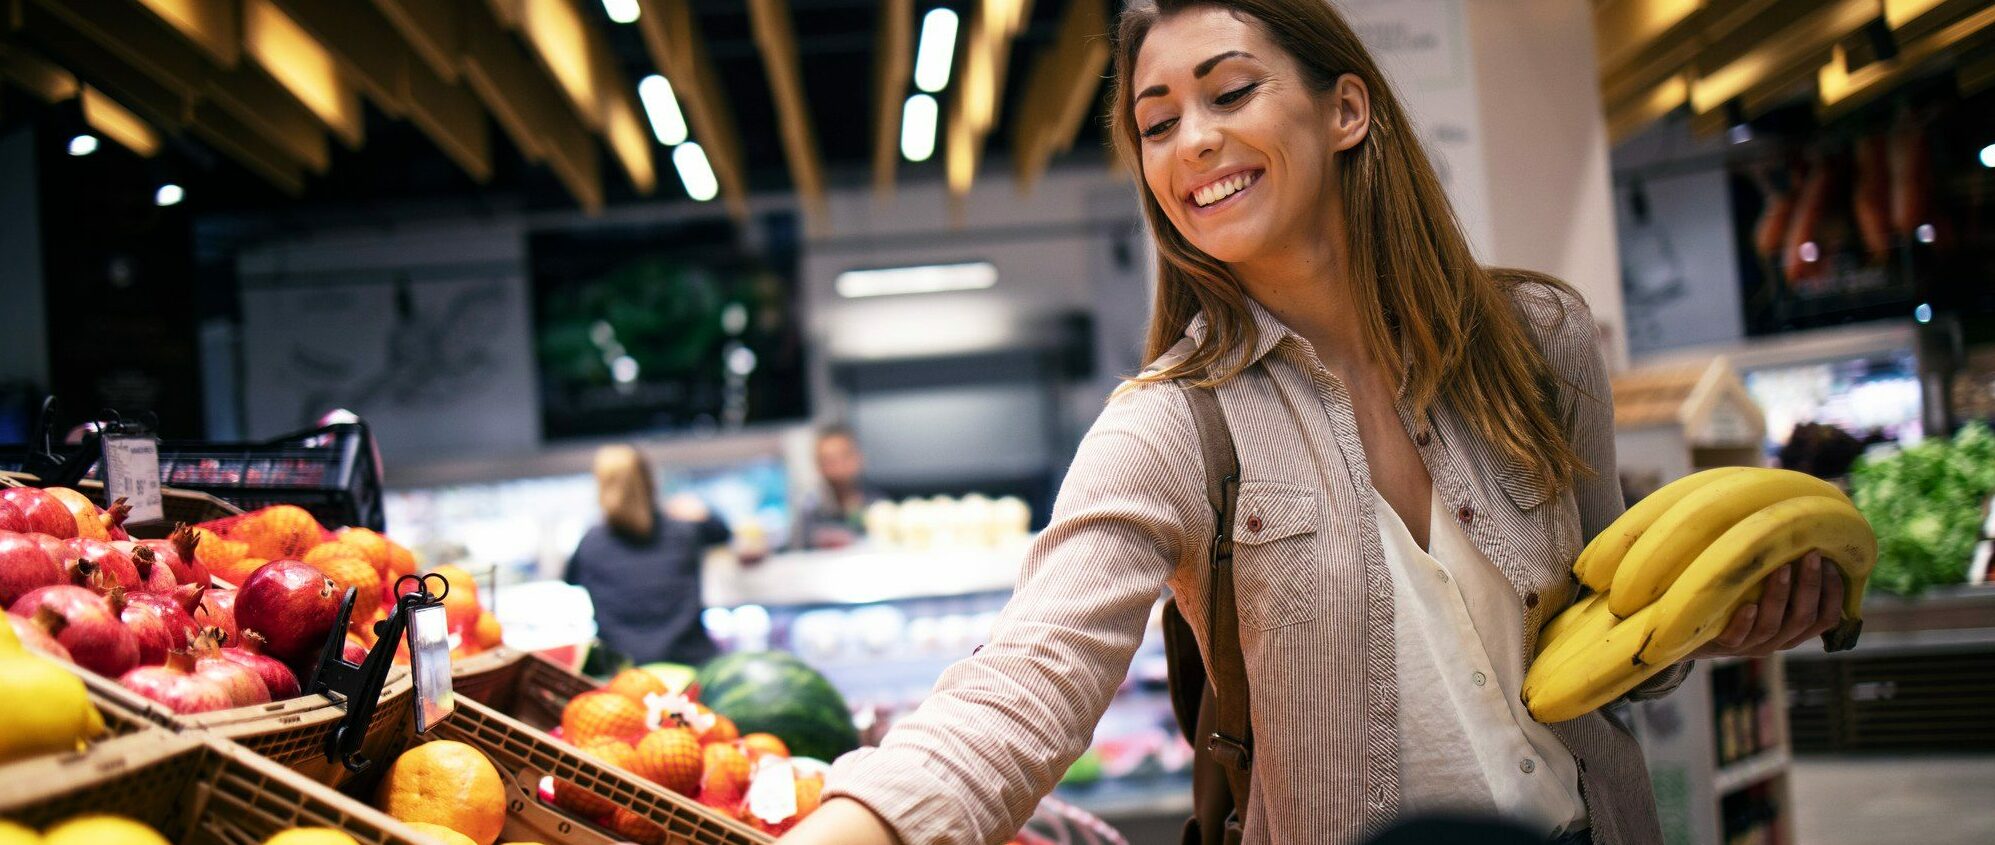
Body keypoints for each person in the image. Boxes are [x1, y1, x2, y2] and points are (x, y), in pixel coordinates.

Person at [783, 2, 1848, 844]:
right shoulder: (1172, 428)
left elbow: (1604, 635)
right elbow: (1025, 682)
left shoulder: (1538, 342)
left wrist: (1720, 617)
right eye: (1157, 123)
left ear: (1347, 110)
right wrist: (855, 825)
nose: (1192, 140)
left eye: (1229, 92)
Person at [564, 444, 731, 667]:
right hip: (693, 664)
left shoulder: (590, 543)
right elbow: (721, 532)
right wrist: (700, 510)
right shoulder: (683, 531)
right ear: (650, 481)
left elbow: (570, 578)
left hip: (626, 672)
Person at [795, 425, 885, 550]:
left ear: (858, 457)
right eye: (829, 460)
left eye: (843, 457)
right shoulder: (811, 509)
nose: (838, 467)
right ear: (817, 466)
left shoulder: (879, 505)